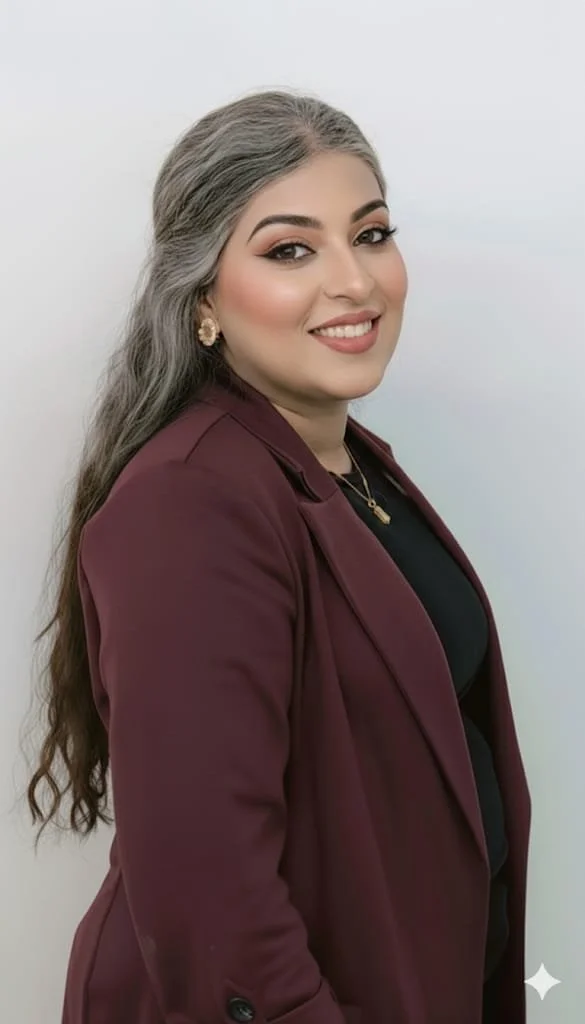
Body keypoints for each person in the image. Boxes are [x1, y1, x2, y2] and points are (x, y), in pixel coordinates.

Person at [27, 89, 531, 1024]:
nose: (354, 282)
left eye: (371, 234)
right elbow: (208, 894)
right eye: (290, 249)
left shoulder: (349, 467)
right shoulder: (194, 501)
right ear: (204, 297)